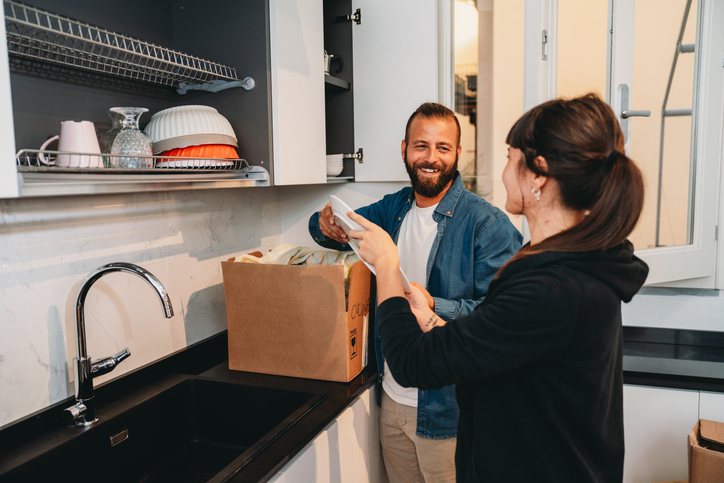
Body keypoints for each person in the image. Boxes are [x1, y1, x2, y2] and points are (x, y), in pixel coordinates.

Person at [347, 93, 649, 482]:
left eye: (509, 157)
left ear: (537, 174)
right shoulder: (573, 265)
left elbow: (412, 363)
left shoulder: (553, 288)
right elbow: (505, 347)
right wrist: (435, 321)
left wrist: (387, 264)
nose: (504, 172)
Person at [309, 102, 522, 482]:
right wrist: (325, 223)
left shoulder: (488, 225)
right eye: (421, 146)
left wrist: (434, 305)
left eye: (443, 148)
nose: (431, 158)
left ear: (458, 154)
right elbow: (338, 228)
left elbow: (501, 320)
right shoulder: (394, 208)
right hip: (391, 400)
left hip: (450, 411)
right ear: (404, 149)